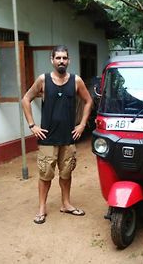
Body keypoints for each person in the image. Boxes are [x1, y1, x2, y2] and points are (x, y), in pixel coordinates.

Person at [22, 45, 93, 224]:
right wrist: (32, 125)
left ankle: (66, 204)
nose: (61, 61)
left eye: (64, 58)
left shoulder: (76, 81)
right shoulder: (43, 80)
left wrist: (82, 124)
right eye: (58, 58)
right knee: (45, 175)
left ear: (69, 60)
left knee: (66, 173)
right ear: (52, 60)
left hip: (69, 138)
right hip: (48, 138)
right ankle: (41, 209)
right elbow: (26, 99)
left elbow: (88, 101)